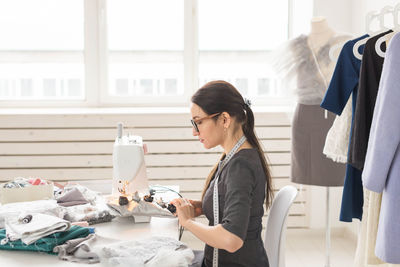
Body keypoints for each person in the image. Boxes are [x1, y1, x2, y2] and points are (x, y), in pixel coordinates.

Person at [171, 80, 272, 267]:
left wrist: (187, 222)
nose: (194, 132)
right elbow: (235, 203)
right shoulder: (236, 157)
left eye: (199, 122)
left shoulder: (240, 166)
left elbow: (231, 240)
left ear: (224, 119)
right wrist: (202, 207)